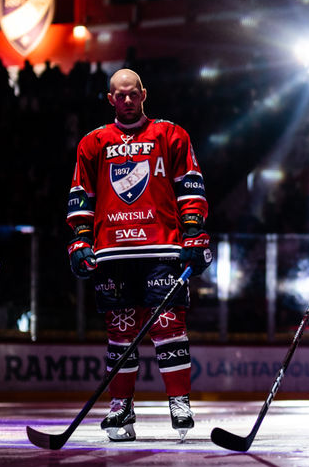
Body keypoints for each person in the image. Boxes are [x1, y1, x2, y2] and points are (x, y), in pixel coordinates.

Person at [66, 68, 210, 442]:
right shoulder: (93, 142)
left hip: (162, 247)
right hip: (112, 252)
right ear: (109, 99)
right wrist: (80, 240)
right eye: (120, 95)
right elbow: (82, 197)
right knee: (120, 332)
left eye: (133, 94)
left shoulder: (170, 134)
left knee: (169, 328)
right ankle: (121, 408)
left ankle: (179, 401)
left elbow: (190, 186)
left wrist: (194, 232)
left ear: (144, 93)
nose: (128, 101)